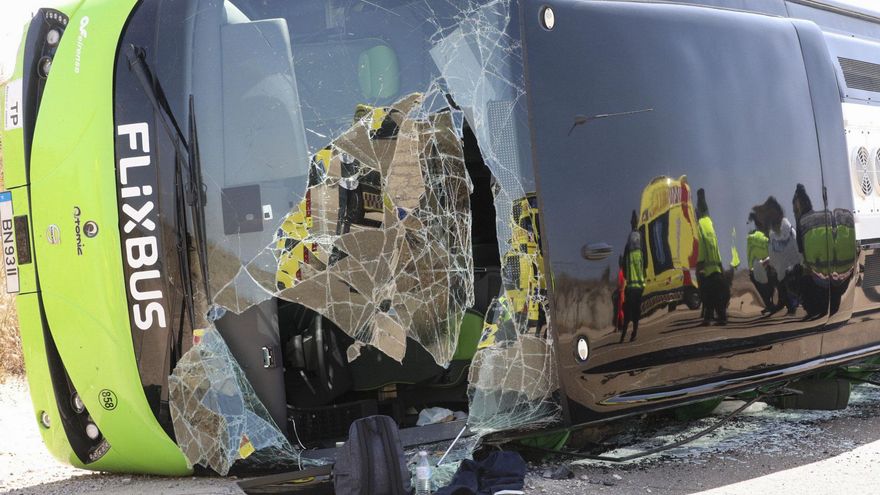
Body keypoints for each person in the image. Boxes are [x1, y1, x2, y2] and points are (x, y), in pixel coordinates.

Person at [696, 189, 728, 325]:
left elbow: (702, 244)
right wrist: (720, 264)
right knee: (716, 294)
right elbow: (715, 244)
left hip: (708, 268)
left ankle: (711, 317)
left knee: (707, 293)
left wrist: (700, 263)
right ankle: (719, 316)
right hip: (716, 267)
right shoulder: (710, 224)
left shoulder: (700, 225)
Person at [620, 210, 646, 343]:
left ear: (631, 224)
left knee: (628, 311)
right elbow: (646, 263)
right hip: (640, 286)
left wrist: (626, 276)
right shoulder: (642, 241)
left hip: (630, 286)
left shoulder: (628, 244)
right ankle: (634, 332)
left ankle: (623, 335)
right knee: (636, 311)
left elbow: (624, 265)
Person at [747, 213, 776, 312]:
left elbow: (750, 254)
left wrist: (751, 268)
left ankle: (770, 304)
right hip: (768, 264)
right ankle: (773, 304)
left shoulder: (752, 237)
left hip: (762, 265)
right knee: (771, 284)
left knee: (763, 285)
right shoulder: (769, 234)